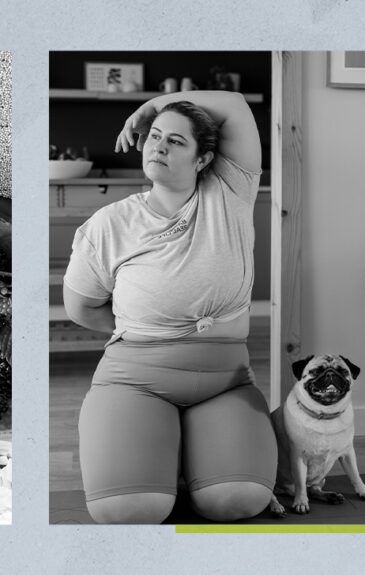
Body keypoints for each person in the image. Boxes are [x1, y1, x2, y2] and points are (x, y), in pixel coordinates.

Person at [63, 91, 277, 524]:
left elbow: (235, 105)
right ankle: (168, 453)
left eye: (176, 141)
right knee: (127, 511)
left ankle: (183, 456)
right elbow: (81, 309)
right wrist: (146, 324)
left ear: (203, 159)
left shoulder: (230, 191)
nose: (159, 146)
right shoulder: (109, 224)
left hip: (225, 382)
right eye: (155, 136)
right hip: (135, 381)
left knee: (237, 501)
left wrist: (152, 106)